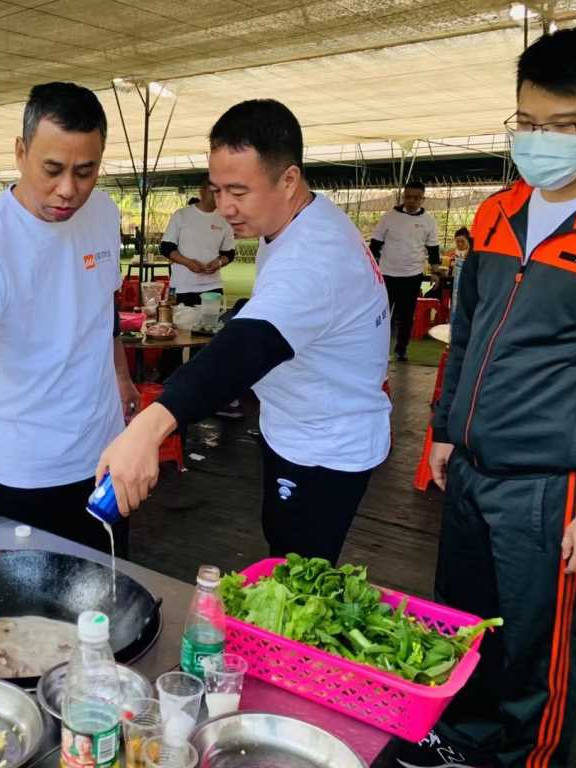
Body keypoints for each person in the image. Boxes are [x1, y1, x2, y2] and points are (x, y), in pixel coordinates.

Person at [398, 25, 576, 768]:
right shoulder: (497, 211)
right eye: (529, 123)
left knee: (534, 657)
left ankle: (527, 760)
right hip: (473, 466)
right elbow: (469, 329)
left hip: (555, 484)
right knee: (467, 626)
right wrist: (445, 429)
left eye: (566, 126)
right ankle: (464, 741)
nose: (543, 140)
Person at [95, 99, 391, 566]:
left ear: (288, 179)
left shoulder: (314, 255)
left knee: (299, 575)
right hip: (305, 426)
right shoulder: (305, 219)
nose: (225, 208)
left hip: (322, 447)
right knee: (285, 552)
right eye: (217, 189)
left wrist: (147, 430)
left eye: (238, 191)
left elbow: (242, 352)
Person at [0, 82, 140, 561]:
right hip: (30, 467)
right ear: (21, 153)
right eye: (53, 169)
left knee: (109, 593)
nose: (69, 190)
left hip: (106, 453)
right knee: (37, 618)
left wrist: (121, 375)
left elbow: (104, 307)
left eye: (86, 171)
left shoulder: (102, 212)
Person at [370, 181, 441, 361]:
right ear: (403, 196)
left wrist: (435, 271)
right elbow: (375, 244)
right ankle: (376, 348)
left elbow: (433, 249)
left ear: (423, 199)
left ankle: (401, 349)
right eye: (408, 197)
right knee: (382, 314)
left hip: (412, 275)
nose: (412, 201)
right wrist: (371, 268)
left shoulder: (429, 221)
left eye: (416, 198)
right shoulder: (389, 217)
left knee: (407, 316)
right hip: (387, 274)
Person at [160, 178, 236, 307]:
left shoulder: (224, 220)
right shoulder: (181, 215)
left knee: (211, 325)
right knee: (182, 325)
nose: (218, 196)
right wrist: (188, 263)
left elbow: (229, 253)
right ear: (202, 191)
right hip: (183, 286)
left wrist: (218, 263)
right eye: (214, 191)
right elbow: (166, 247)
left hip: (213, 287)